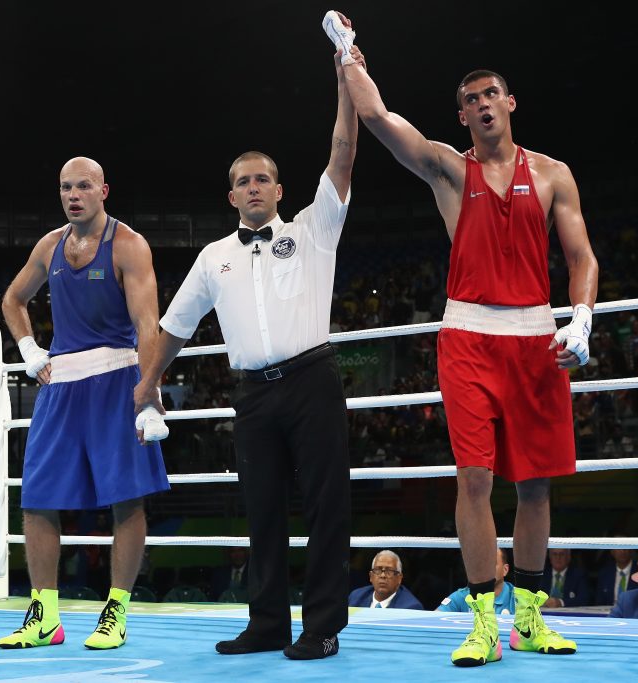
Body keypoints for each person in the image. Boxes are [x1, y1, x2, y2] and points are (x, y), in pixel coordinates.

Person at [334, 11, 598, 667]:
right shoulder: (451, 171)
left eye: (490, 94)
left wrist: (584, 317)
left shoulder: (553, 174)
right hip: (469, 337)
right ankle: (484, 619)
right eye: (470, 100)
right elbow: (378, 119)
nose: (482, 105)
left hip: (538, 337)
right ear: (463, 117)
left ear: (510, 103)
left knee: (535, 484)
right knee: (474, 478)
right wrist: (346, 51)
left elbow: (582, 258)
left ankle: (529, 618)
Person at [133, 43, 357, 661]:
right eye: (242, 181)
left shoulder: (315, 228)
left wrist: (345, 78)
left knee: (325, 506)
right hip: (253, 394)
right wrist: (147, 383)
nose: (253, 186)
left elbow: (342, 153)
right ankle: (268, 623)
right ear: (231, 196)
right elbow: (175, 325)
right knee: (260, 510)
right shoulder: (214, 256)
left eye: (262, 178)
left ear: (280, 189)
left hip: (313, 379)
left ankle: (322, 627)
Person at [0, 157, 170, 651]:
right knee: (37, 498)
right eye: (65, 187)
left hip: (118, 379)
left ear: (103, 191)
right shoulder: (49, 245)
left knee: (127, 497)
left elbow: (147, 324)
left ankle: (115, 611)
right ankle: (45, 616)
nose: (74, 195)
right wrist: (30, 351)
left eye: (83, 186)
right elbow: (13, 300)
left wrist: (149, 390)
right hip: (61, 385)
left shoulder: (130, 246)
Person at [438, 547, 515, 615]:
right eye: (481, 564)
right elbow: (434, 619)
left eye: (492, 563)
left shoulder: (517, 598)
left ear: (505, 570)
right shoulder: (462, 596)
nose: (485, 568)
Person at [349, 550, 424, 609]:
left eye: (389, 571)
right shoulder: (356, 597)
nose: (383, 575)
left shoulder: (410, 607)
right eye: (378, 570)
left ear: (399, 578)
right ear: (371, 576)